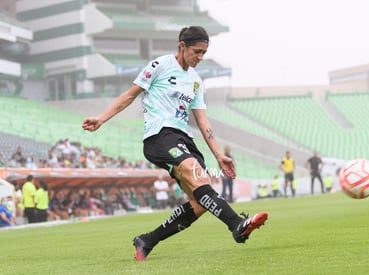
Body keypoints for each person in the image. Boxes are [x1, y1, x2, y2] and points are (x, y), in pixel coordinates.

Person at [82, 26, 268, 261]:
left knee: (200, 203)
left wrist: (219, 155)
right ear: (182, 46)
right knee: (195, 175)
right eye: (197, 51)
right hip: (159, 136)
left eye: (204, 53)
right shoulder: (160, 65)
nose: (200, 57)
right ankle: (237, 225)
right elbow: (130, 95)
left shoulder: (196, 82)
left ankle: (147, 240)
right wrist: (101, 118)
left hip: (184, 139)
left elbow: (202, 121)